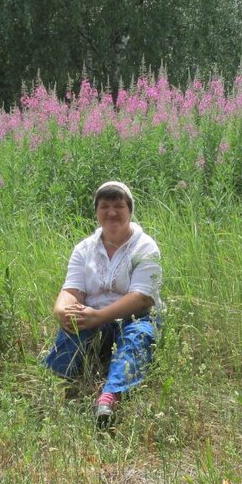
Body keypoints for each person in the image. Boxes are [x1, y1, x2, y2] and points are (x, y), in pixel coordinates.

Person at [43, 181, 162, 426]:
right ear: (96, 211)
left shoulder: (145, 246)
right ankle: (56, 384)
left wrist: (99, 316)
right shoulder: (84, 248)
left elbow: (142, 297)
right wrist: (62, 311)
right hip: (93, 316)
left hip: (135, 316)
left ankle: (110, 397)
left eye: (119, 206)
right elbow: (71, 290)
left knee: (137, 337)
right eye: (104, 206)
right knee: (73, 326)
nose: (112, 213)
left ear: (130, 210)